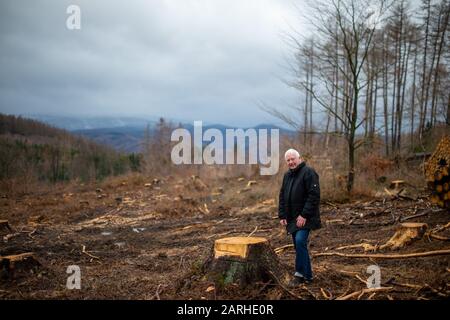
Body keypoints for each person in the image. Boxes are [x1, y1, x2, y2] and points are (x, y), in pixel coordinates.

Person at [278, 148, 321, 286]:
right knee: (298, 245)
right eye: (288, 160)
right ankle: (304, 275)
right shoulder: (287, 175)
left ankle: (302, 274)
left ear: (299, 158)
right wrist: (282, 215)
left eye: (293, 159)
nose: (291, 162)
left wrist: (304, 215)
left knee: (300, 241)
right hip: (292, 218)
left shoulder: (308, 172)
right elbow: (282, 196)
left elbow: (314, 195)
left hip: (306, 217)